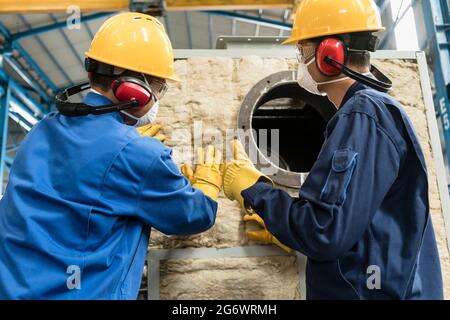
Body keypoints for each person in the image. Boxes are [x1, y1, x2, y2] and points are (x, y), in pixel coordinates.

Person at [223, 0, 444, 300]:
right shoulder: (371, 115)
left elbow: (325, 231)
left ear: (330, 53)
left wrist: (255, 188)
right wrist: (288, 232)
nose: (300, 61)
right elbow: (356, 222)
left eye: (303, 51)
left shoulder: (363, 115)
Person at [0, 12, 223, 299]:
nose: (159, 95)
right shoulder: (141, 155)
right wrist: (207, 185)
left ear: (91, 73)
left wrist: (126, 147)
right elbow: (191, 216)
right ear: (136, 90)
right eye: (159, 87)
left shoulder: (41, 130)